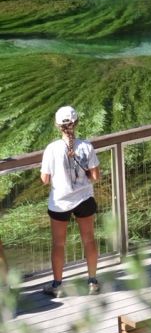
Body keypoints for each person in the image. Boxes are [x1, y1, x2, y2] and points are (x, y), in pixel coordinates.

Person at [40, 105, 101, 297]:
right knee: (89, 239)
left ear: (58, 126)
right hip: (84, 198)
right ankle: (92, 282)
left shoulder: (51, 149)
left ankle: (57, 285)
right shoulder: (86, 146)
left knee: (59, 244)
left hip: (60, 202)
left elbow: (45, 179)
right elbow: (95, 176)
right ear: (77, 123)